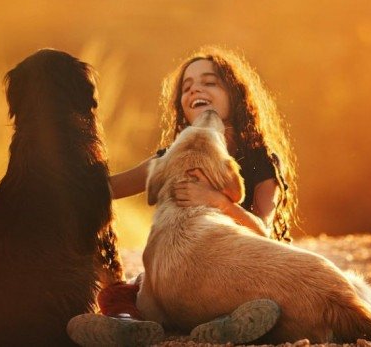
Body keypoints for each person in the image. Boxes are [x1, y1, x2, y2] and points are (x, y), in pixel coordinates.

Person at [69, 46, 298, 346]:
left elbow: (264, 232)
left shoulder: (260, 161)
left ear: (236, 96)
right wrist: (61, 165)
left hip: (242, 272)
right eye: (187, 87)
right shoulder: (171, 158)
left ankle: (226, 323)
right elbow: (107, 189)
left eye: (209, 82)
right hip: (184, 279)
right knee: (118, 293)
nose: (196, 89)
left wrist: (217, 201)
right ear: (182, 107)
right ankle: (127, 325)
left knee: (265, 298)